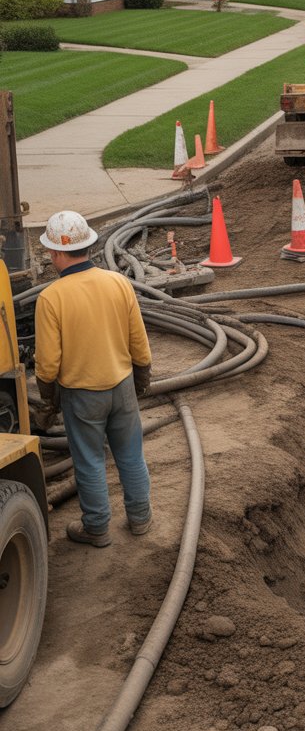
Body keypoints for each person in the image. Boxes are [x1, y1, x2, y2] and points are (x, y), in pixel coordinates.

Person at [34, 210, 154, 546]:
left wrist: (48, 397)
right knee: (131, 455)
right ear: (87, 245)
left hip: (82, 395)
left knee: (89, 461)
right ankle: (141, 518)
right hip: (122, 385)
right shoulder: (117, 282)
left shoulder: (51, 298)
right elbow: (138, 339)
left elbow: (47, 363)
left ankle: (97, 528)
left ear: (57, 253)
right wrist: (142, 372)